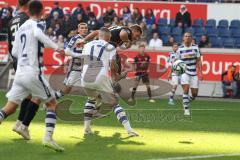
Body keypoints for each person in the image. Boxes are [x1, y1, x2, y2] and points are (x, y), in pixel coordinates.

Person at [1, 0, 64, 151]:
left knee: (10, 106)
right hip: (31, 69)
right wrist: (57, 47)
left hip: (19, 69)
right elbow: (37, 35)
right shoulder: (32, 23)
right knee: (50, 101)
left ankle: (22, 125)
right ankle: (44, 135)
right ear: (40, 10)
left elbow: (14, 51)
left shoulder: (14, 21)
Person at [81, 27, 138, 137]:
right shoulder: (110, 47)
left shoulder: (87, 45)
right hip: (100, 76)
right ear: (109, 37)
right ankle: (130, 130)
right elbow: (112, 65)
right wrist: (118, 74)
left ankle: (87, 129)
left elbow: (83, 60)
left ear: (99, 35)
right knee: (114, 103)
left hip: (85, 76)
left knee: (91, 99)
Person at [8, 0, 42, 139]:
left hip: (17, 61)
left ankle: (19, 123)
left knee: (28, 94)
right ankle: (24, 125)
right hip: (28, 61)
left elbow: (11, 46)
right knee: (38, 95)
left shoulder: (11, 21)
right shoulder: (28, 20)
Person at [175, 32, 203, 116]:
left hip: (194, 72)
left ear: (191, 38)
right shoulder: (180, 49)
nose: (187, 37)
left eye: (189, 36)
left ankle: (186, 100)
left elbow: (199, 60)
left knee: (194, 94)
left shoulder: (196, 47)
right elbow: (176, 61)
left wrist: (200, 72)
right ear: (183, 38)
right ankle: (186, 110)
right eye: (185, 36)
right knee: (186, 89)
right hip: (184, 72)